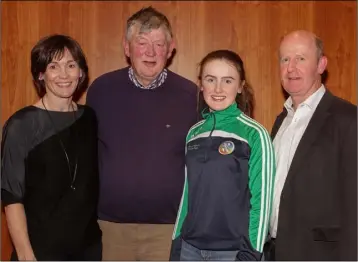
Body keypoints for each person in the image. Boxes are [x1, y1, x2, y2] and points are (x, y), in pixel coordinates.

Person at [86, 6, 198, 261]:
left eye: (159, 44)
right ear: (127, 47)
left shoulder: (191, 95)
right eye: (142, 42)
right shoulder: (101, 91)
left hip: (168, 229)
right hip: (109, 228)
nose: (150, 52)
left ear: (171, 49)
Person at [1, 34, 102, 261]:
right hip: (40, 251)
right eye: (53, 66)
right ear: (40, 74)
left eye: (71, 65)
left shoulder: (89, 118)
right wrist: (26, 254)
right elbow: (11, 198)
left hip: (88, 249)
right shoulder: (21, 125)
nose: (64, 75)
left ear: (81, 72)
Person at [169, 50, 276, 261]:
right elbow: (187, 195)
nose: (218, 89)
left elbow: (262, 203)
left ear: (240, 86)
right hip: (190, 250)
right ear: (201, 84)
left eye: (228, 80)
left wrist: (250, 254)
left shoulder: (255, 134)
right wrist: (177, 243)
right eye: (210, 80)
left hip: (234, 252)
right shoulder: (194, 133)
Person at [265, 30, 357, 260]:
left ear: (321, 64)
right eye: (285, 59)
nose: (291, 68)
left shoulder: (348, 119)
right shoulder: (281, 121)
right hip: (274, 252)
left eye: (301, 58)